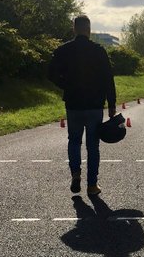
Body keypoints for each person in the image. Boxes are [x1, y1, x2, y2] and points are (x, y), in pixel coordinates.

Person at [48, 15, 117, 195]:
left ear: (74, 29)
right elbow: (108, 78)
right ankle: (92, 185)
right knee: (93, 145)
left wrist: (65, 85)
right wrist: (112, 104)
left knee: (74, 141)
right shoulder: (99, 51)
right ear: (89, 29)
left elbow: (51, 73)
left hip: (73, 103)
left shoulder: (63, 50)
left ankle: (75, 173)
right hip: (94, 104)